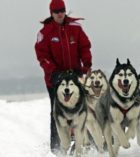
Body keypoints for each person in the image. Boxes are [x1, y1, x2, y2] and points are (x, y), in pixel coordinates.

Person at [34, 0, 92, 153]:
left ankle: (83, 141)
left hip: (75, 76)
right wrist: (53, 72)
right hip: (55, 79)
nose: (60, 14)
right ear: (51, 13)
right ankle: (57, 147)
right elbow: (42, 56)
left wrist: (86, 64)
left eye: (62, 10)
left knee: (80, 109)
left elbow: (85, 47)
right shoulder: (45, 33)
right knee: (57, 111)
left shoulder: (76, 28)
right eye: (56, 11)